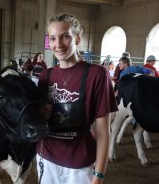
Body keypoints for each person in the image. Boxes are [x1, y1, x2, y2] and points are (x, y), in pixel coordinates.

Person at [36, 13, 118, 184]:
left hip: (80, 166)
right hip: (46, 158)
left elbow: (103, 132)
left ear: (78, 38)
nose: (58, 45)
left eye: (65, 36)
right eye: (52, 38)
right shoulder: (45, 76)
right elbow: (39, 120)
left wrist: (99, 175)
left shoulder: (97, 74)